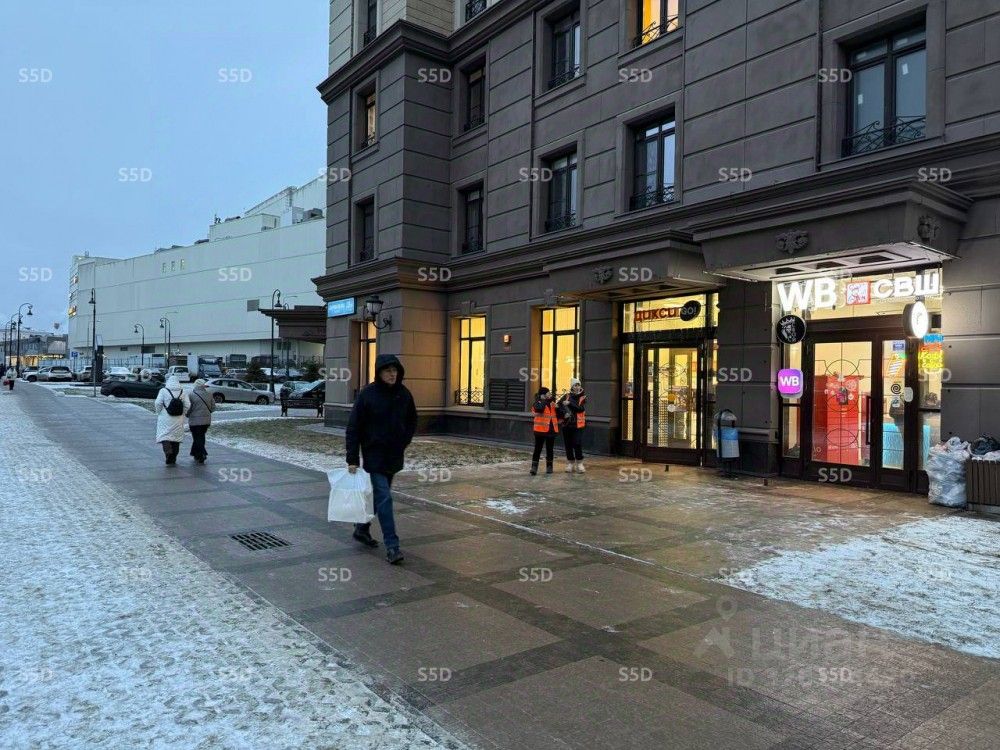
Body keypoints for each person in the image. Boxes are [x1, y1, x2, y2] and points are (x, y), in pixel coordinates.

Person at [346, 354, 417, 565]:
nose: (392, 374)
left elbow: (412, 420)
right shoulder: (367, 394)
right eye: (388, 370)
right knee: (385, 498)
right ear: (379, 372)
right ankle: (392, 546)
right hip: (374, 455)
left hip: (394, 455)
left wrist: (403, 441)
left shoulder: (404, 394)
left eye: (395, 370)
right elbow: (354, 427)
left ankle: (361, 528)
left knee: (379, 498)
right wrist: (352, 458)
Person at [154, 376, 191, 466]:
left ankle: (168, 452)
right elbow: (187, 404)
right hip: (178, 418)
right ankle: (173, 457)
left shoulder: (163, 391)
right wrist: (183, 412)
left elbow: (158, 403)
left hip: (165, 418)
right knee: (176, 438)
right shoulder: (183, 391)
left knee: (165, 436)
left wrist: (159, 411)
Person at [557, 378, 587, 472]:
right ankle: (570, 463)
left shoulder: (582, 397)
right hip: (567, 424)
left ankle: (580, 463)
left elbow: (580, 409)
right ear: (572, 387)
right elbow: (558, 406)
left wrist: (570, 403)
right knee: (568, 444)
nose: (577, 387)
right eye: (575, 385)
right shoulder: (566, 396)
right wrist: (563, 414)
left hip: (578, 425)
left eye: (578, 385)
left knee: (577, 443)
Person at [530, 387, 559, 475]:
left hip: (551, 430)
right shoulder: (537, 402)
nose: (549, 394)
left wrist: (558, 407)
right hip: (540, 430)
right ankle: (534, 467)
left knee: (550, 449)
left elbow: (558, 413)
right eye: (547, 393)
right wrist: (543, 400)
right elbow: (540, 409)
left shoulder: (552, 403)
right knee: (537, 449)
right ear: (543, 395)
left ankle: (549, 466)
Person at [187, 378, 215, 464]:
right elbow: (213, 407)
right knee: (201, 436)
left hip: (194, 421)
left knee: (197, 437)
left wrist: (187, 414)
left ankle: (202, 453)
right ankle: (195, 453)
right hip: (206, 421)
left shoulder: (191, 395)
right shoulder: (209, 394)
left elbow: (188, 408)